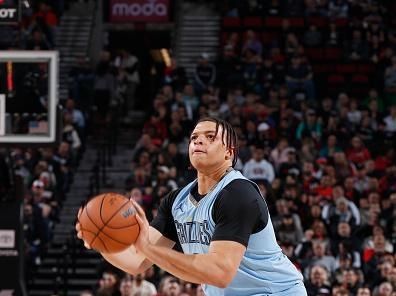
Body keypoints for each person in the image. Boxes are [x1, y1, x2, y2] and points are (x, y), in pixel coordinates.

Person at [76, 117, 307, 295]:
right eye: (194, 137)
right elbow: (138, 261)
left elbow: (219, 272)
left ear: (229, 152)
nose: (198, 140)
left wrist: (146, 247)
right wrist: (99, 240)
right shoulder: (176, 201)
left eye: (210, 136)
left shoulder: (238, 193)